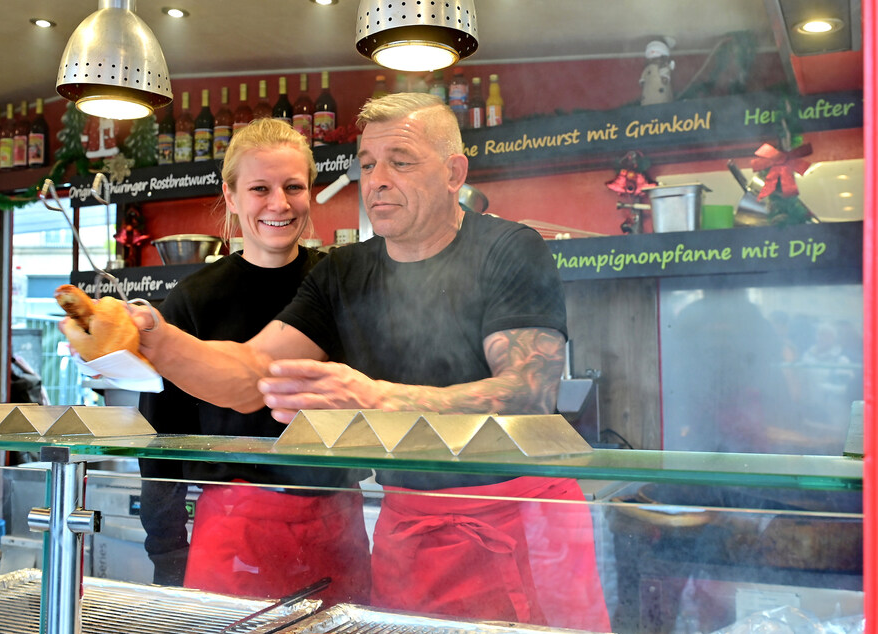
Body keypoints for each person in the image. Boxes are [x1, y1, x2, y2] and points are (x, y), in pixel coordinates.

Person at [68, 93, 609, 630]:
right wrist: (153, 338)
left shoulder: (510, 248)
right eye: (368, 164)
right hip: (407, 527)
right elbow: (255, 372)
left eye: (400, 162)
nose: (377, 179)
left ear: (453, 172)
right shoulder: (344, 272)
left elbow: (528, 394)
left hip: (516, 524)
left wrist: (379, 400)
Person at [135, 118, 370, 606]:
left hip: (336, 527)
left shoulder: (340, 287)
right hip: (233, 533)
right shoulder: (192, 301)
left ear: (311, 191)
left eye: (293, 187)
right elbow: (159, 444)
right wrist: (168, 556)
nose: (279, 204)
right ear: (232, 195)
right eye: (260, 188)